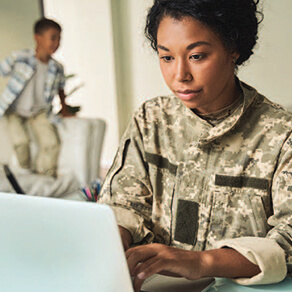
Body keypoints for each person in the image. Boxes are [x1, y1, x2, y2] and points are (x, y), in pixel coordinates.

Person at [99, 0, 292, 291]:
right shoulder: (151, 119)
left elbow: (288, 240)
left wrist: (201, 262)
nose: (180, 76)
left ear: (233, 48)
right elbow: (123, 204)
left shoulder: (281, 133)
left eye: (197, 56)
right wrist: (112, 249)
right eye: (166, 57)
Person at [0, 18, 72, 177]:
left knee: (51, 143)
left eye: (59, 38)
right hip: (15, 111)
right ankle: (26, 172)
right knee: (21, 142)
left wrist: (64, 109)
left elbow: (61, 88)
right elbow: (2, 69)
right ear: (37, 37)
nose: (57, 42)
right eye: (53, 37)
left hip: (39, 112)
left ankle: (45, 175)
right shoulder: (20, 57)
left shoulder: (57, 67)